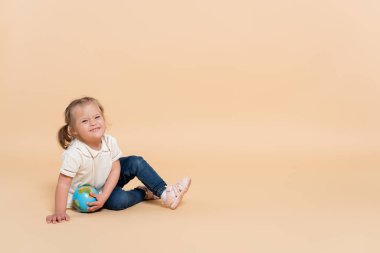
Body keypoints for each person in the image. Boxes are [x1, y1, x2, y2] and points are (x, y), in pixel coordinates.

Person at [46, 97, 191, 224]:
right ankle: (144, 193)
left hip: (109, 180)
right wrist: (59, 211)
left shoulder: (110, 141)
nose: (93, 123)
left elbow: (116, 169)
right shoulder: (74, 153)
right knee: (118, 201)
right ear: (73, 130)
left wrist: (106, 193)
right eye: (84, 121)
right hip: (94, 193)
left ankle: (165, 193)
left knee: (136, 161)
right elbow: (63, 184)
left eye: (97, 117)